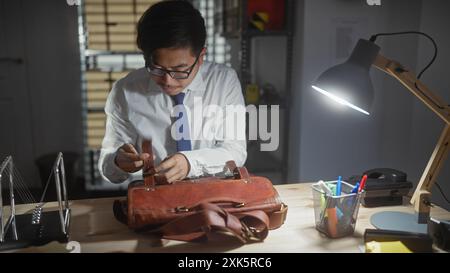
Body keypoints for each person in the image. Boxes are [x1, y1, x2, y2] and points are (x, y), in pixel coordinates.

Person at [98, 0, 247, 184]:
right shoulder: (125, 91)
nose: (168, 81)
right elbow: (108, 166)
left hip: (213, 195)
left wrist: (190, 162)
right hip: (155, 197)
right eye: (157, 68)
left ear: (201, 57)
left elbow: (235, 150)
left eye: (180, 70)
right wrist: (118, 161)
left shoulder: (223, 81)